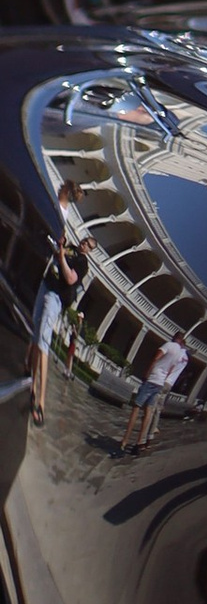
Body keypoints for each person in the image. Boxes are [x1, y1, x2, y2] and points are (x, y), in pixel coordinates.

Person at [31, 181, 86, 423]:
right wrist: (60, 249)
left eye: (89, 245)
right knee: (35, 338)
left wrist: (62, 255)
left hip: (55, 296)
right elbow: (59, 247)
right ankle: (32, 386)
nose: (84, 244)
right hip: (46, 285)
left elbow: (70, 278)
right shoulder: (71, 246)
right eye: (85, 241)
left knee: (43, 342)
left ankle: (41, 402)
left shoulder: (82, 262)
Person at [120, 334, 187, 455]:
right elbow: (171, 369)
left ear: (174, 338)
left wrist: (147, 374)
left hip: (152, 379)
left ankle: (125, 440)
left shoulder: (168, 345)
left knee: (136, 408)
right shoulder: (179, 353)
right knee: (148, 413)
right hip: (160, 383)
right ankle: (139, 443)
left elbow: (156, 358)